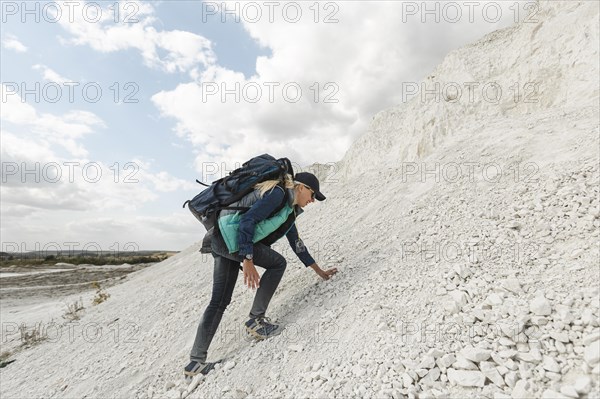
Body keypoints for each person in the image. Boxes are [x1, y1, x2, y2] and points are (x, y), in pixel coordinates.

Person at [185, 171, 338, 378]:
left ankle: (195, 364)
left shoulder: (289, 210)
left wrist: (318, 270)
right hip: (230, 239)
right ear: (301, 187)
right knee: (278, 263)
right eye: (312, 195)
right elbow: (248, 220)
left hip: (221, 240)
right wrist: (247, 258)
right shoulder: (278, 194)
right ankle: (256, 321)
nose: (312, 201)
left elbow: (296, 243)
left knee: (219, 301)